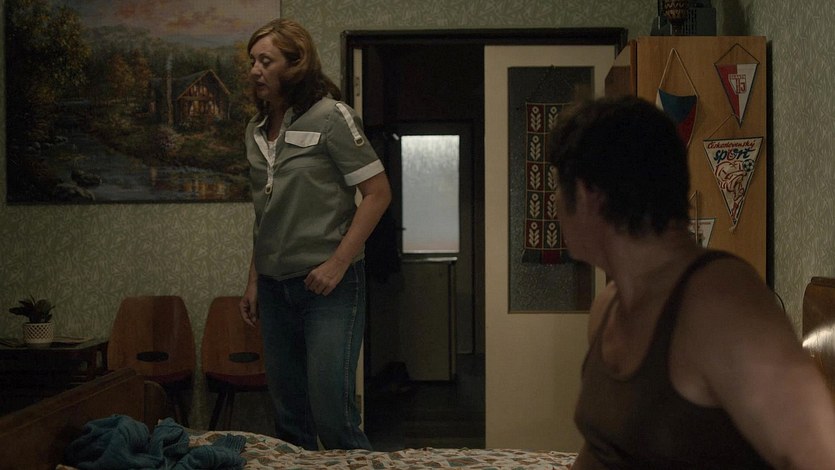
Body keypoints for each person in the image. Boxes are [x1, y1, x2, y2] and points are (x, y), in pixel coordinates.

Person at [547, 96, 835, 469]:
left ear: (589, 195)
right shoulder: (607, 307)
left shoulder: (720, 304)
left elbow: (822, 454)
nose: (554, 202)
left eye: (558, 186)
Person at [238, 18, 390, 451]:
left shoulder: (331, 116)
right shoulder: (254, 130)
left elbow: (378, 194)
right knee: (290, 420)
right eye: (253, 61)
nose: (255, 70)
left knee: (332, 415)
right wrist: (253, 280)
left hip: (328, 288)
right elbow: (265, 214)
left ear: (296, 64)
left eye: (266, 60)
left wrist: (338, 264)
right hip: (274, 287)